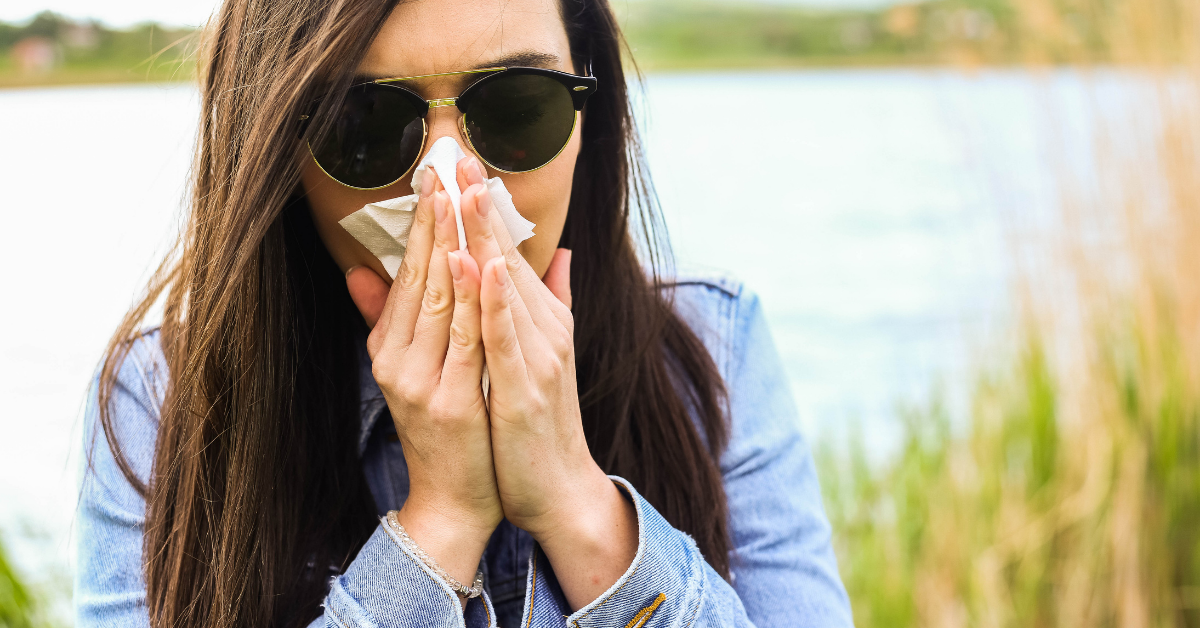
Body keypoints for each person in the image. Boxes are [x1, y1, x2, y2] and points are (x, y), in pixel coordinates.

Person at [76, 0, 853, 626]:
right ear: (276, 151)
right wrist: (439, 525)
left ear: (589, 111)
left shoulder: (711, 349)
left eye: (517, 107)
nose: (449, 186)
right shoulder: (161, 402)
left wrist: (578, 504)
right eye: (365, 126)